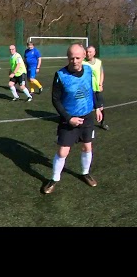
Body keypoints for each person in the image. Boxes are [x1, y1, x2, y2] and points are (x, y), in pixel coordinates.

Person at [42, 43, 103, 194]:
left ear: (84, 57)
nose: (74, 61)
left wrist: (97, 107)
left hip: (87, 117)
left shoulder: (88, 70)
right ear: (67, 58)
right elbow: (55, 100)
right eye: (71, 58)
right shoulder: (60, 75)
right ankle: (54, 179)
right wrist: (69, 118)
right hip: (68, 119)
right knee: (63, 152)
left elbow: (91, 91)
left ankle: (85, 173)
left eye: (77, 57)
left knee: (87, 146)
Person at [84, 45, 108, 131]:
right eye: (87, 51)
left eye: (90, 52)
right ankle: (83, 124)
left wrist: (101, 84)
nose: (88, 53)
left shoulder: (98, 62)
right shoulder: (83, 62)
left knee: (101, 107)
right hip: (87, 89)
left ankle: (102, 123)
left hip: (97, 88)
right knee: (87, 107)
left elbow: (101, 73)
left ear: (94, 53)